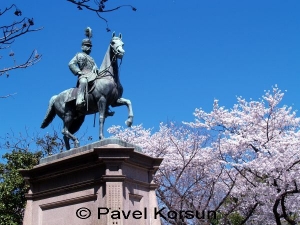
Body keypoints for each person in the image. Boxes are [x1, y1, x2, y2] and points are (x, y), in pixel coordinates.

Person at [69, 27, 98, 109]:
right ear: (82, 47)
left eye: (90, 46)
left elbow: (95, 67)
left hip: (93, 75)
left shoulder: (92, 59)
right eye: (87, 46)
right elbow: (71, 64)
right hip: (83, 74)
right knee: (83, 81)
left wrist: (96, 68)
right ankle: (79, 99)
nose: (89, 48)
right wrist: (78, 71)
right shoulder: (78, 55)